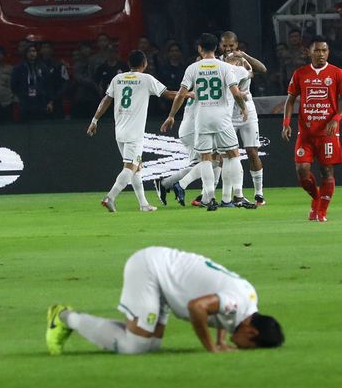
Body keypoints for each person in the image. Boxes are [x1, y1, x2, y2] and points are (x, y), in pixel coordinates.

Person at [45, 246, 284, 355]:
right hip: (151, 270)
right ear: (252, 333)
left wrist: (222, 341)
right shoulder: (237, 303)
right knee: (134, 347)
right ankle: (64, 317)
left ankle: (71, 319)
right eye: (251, 346)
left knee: (150, 346)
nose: (245, 348)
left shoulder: (249, 301)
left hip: (166, 279)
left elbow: (223, 313)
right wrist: (211, 346)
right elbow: (197, 307)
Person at [160, 33, 248, 211]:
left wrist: (171, 115)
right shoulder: (224, 67)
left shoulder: (193, 68)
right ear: (216, 48)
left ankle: (209, 198)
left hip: (202, 119)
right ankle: (238, 195)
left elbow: (181, 94)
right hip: (222, 118)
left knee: (206, 159)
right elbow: (236, 92)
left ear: (200, 48)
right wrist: (243, 108)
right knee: (233, 155)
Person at [87, 50, 182, 213]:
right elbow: (169, 95)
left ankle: (143, 204)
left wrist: (94, 120)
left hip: (120, 131)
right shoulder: (146, 79)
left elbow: (106, 100)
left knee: (137, 167)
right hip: (134, 133)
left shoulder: (118, 79)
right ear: (144, 64)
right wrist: (189, 94)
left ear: (129, 64)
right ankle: (110, 197)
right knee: (130, 167)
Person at [281, 35, 342, 222]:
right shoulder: (300, 73)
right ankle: (317, 198)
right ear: (309, 52)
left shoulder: (337, 73)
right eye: (317, 50)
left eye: (324, 50)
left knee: (327, 171)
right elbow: (290, 100)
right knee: (302, 171)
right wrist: (286, 123)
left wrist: (336, 118)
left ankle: (321, 211)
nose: (321, 54)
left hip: (327, 133)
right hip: (305, 133)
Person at [220, 30, 267, 205]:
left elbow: (262, 69)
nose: (228, 48)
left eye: (231, 45)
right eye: (224, 45)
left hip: (248, 110)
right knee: (228, 155)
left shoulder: (244, 60)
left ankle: (259, 193)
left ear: (236, 45)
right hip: (227, 112)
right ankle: (232, 193)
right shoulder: (217, 62)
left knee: (252, 151)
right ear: (220, 46)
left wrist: (244, 55)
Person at [11, 43, 52, 121]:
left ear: (37, 53)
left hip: (40, 101)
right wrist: (18, 97)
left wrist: (50, 102)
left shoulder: (43, 67)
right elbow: (13, 85)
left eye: (34, 51)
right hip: (25, 101)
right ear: (25, 53)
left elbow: (48, 85)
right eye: (29, 51)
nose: (32, 53)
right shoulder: (19, 68)